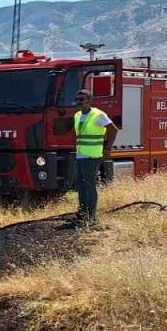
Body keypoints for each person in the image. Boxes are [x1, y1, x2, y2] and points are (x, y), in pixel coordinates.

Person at [67, 89, 117, 228]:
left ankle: (91, 217)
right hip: (81, 155)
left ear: (89, 101)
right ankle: (83, 213)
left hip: (92, 155)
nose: (79, 102)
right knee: (81, 185)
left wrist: (108, 148)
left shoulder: (98, 114)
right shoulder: (77, 115)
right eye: (77, 99)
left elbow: (113, 129)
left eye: (82, 99)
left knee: (89, 185)